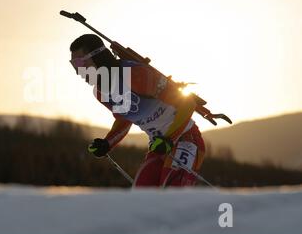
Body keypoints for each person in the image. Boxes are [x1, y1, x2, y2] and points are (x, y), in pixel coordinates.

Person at [69, 34, 205, 187]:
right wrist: (107, 143)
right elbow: (125, 118)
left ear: (98, 57)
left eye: (80, 64)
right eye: (73, 65)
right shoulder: (102, 93)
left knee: (171, 195)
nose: (78, 72)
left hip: (186, 138)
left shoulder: (135, 75)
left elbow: (187, 103)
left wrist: (168, 138)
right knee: (141, 197)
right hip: (158, 146)